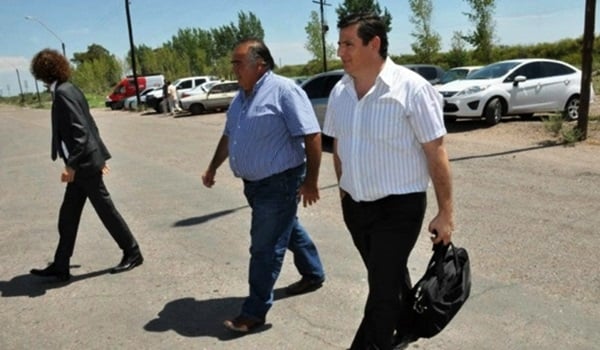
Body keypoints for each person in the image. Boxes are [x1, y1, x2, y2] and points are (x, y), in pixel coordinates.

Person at [322, 14, 454, 350]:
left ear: (374, 44)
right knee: (389, 278)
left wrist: (445, 212)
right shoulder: (340, 92)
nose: (340, 51)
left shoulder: (412, 89)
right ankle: (408, 326)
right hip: (356, 207)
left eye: (348, 43)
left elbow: (435, 152)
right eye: (339, 43)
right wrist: (344, 194)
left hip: (399, 209)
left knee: (381, 293)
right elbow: (339, 149)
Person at [202, 38, 326, 333]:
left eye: (237, 63)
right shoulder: (239, 98)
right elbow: (229, 137)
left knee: (265, 247)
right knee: (288, 227)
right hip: (254, 185)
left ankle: (254, 311)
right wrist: (212, 166)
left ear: (260, 65)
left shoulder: (284, 91)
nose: (233, 69)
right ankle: (313, 272)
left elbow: (311, 135)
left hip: (280, 181)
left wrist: (311, 181)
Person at [29, 48, 144, 282]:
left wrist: (72, 166)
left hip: (82, 166)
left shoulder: (63, 93)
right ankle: (61, 264)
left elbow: (81, 133)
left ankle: (133, 252)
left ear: (40, 73)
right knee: (68, 216)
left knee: (105, 210)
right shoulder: (68, 89)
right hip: (86, 164)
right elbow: (90, 124)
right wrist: (99, 157)